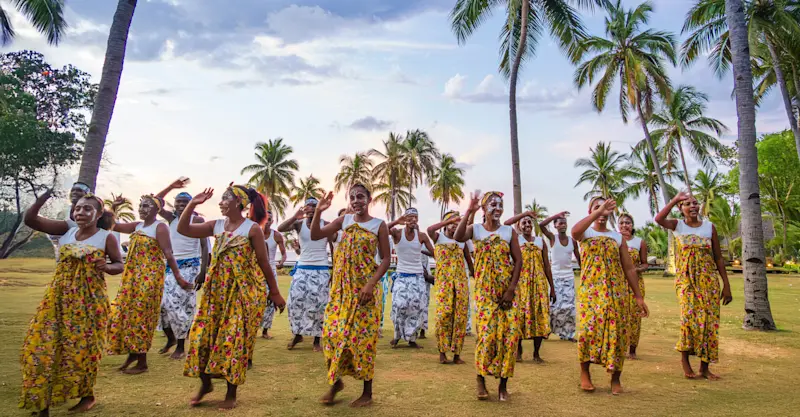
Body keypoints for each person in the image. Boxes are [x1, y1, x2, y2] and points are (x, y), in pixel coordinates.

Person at [178, 185, 286, 410]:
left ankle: (230, 394)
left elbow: (264, 263)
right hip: (214, 293)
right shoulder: (216, 225)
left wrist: (274, 293)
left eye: (225, 198)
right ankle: (205, 384)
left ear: (238, 202)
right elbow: (184, 229)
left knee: (232, 342)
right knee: (200, 338)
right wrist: (193, 204)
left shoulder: (252, 229)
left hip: (241, 293)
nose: (221, 202)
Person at [20, 191, 124, 416]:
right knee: (42, 345)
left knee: (82, 350)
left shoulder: (105, 237)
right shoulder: (66, 230)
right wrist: (41, 199)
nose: (81, 212)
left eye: (87, 209)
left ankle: (87, 396)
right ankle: (43, 401)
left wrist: (106, 267)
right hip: (57, 299)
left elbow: (119, 265)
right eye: (77, 208)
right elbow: (30, 220)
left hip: (88, 303)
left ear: (98, 215)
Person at [311, 185, 390, 407]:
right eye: (352, 197)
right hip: (341, 292)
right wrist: (319, 211)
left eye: (361, 197)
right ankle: (336, 382)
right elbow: (316, 234)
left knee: (363, 341)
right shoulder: (344, 221)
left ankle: (367, 392)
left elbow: (385, 259)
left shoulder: (378, 225)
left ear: (369, 199)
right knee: (331, 335)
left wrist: (370, 285)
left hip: (365, 292)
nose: (356, 201)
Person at [571, 197, 648, 395]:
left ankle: (615, 378)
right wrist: (598, 211)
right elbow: (574, 232)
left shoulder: (617, 237)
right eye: (597, 207)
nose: (602, 210)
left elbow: (629, 269)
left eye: (605, 207)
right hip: (591, 293)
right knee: (588, 332)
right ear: (590, 210)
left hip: (616, 293)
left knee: (617, 333)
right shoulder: (585, 232)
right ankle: (585, 373)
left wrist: (639, 298)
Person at [655, 192, 732, 380]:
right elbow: (658, 218)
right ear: (681, 209)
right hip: (686, 280)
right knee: (688, 318)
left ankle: (705, 368)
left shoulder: (709, 228)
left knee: (709, 321)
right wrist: (674, 200)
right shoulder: (677, 225)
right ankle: (685, 361)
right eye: (688, 204)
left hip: (709, 280)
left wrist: (726, 285)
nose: (693, 206)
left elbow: (718, 257)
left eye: (695, 203)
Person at [453, 191, 522, 402]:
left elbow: (518, 261)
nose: (497, 208)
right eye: (492, 204)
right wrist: (469, 211)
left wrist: (511, 290)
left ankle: (503, 385)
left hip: (507, 293)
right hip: (485, 294)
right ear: (484, 209)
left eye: (500, 204)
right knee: (487, 336)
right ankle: (481, 379)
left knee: (509, 338)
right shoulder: (475, 230)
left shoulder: (509, 232)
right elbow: (457, 237)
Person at [107, 195, 187, 374]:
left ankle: (142, 362)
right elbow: (112, 225)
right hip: (132, 278)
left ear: (156, 209)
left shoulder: (160, 227)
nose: (141, 209)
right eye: (140, 205)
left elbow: (168, 253)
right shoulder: (137, 226)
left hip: (149, 279)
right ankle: (132, 353)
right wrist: (114, 206)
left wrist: (178, 277)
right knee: (127, 315)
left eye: (146, 206)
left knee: (142, 318)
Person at [153, 179, 210, 360]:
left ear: (192, 205)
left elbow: (204, 247)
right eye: (178, 202)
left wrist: (203, 271)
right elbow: (155, 202)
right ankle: (171, 339)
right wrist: (170, 187)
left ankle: (180, 346)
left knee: (179, 305)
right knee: (162, 306)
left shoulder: (197, 220)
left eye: (185, 202)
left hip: (190, 267)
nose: (181, 205)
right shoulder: (171, 219)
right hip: (170, 268)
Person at [277, 197, 335, 352]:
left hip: (321, 268)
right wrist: (295, 217)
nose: (309, 209)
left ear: (319, 209)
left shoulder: (326, 225)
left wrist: (334, 271)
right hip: (302, 267)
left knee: (319, 305)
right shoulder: (299, 224)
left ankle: (317, 339)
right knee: (294, 302)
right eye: (307, 207)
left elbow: (332, 246)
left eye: (313, 207)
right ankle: (297, 333)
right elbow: (281, 228)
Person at [505, 211, 555, 363]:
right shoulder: (516, 240)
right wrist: (524, 214)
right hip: (521, 284)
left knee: (539, 316)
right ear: (519, 226)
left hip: (539, 284)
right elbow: (506, 224)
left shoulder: (540, 242)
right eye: (523, 223)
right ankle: (518, 352)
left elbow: (547, 266)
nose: (527, 225)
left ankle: (536, 354)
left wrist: (551, 287)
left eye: (529, 222)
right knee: (519, 316)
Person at [427, 210, 474, 364]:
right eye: (452, 224)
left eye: (457, 224)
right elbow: (430, 230)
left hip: (460, 283)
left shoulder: (462, 240)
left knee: (459, 318)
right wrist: (448, 221)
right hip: (444, 284)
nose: (455, 226)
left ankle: (457, 355)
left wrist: (475, 274)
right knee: (443, 316)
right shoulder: (438, 237)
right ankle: (442, 352)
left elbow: (469, 261)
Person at [388, 208, 435, 348]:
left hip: (417, 276)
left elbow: (435, 253)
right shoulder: (397, 233)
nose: (413, 220)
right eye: (410, 217)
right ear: (405, 219)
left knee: (417, 307)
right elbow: (381, 229)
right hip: (401, 275)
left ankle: (412, 339)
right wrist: (397, 221)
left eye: (415, 217)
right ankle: (397, 336)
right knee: (399, 305)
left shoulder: (422, 236)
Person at [540, 212, 581, 341]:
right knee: (554, 306)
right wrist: (556, 215)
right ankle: (547, 330)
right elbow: (541, 225)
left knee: (569, 308)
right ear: (555, 226)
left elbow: (579, 257)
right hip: (555, 277)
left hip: (568, 277)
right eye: (560, 223)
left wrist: (584, 270)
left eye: (564, 223)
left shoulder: (572, 241)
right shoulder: (552, 238)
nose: (563, 225)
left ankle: (568, 334)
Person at [618, 214, 648, 360]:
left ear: (632, 225)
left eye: (628, 222)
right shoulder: (613, 240)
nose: (625, 225)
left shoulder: (639, 242)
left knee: (635, 316)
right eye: (622, 223)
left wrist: (636, 269)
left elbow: (645, 263)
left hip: (636, 283)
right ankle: (619, 347)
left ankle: (632, 350)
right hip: (618, 283)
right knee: (619, 315)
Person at [261, 209, 287, 340]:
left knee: (270, 300)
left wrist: (282, 261)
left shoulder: (276, 235)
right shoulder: (255, 233)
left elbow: (283, 253)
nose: (267, 222)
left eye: (269, 219)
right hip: (256, 270)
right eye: (265, 219)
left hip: (271, 269)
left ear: (272, 222)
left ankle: (265, 330)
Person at [47, 182, 91, 256]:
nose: (74, 192)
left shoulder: (91, 214)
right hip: (63, 255)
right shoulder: (63, 212)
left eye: (79, 190)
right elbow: (53, 234)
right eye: (72, 190)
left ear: (86, 194)